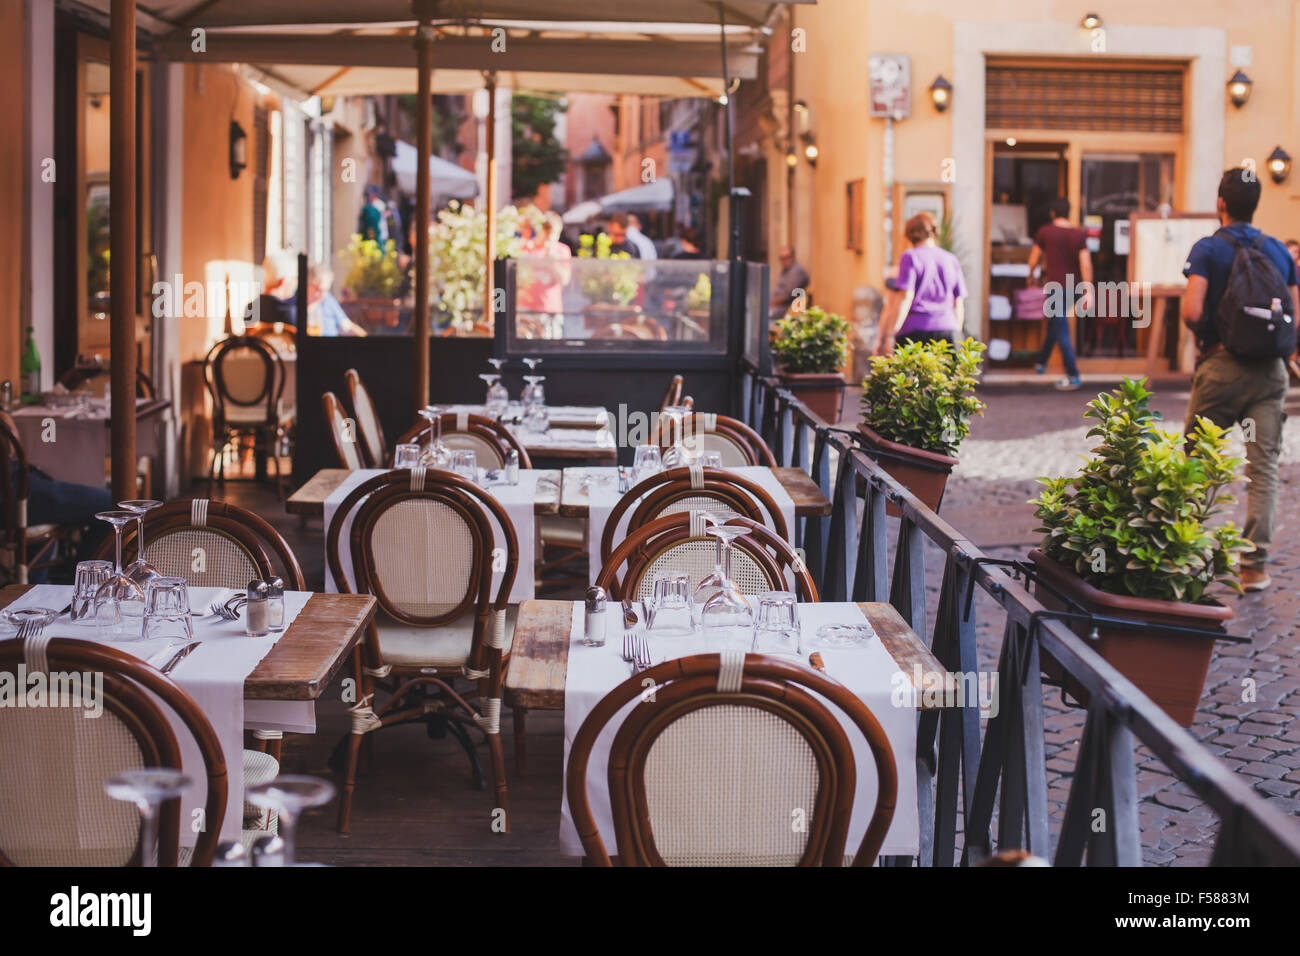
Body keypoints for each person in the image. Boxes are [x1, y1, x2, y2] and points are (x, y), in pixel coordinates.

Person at [1180, 167, 1299, 592]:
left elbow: (1193, 311)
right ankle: (1255, 567)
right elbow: (1294, 318)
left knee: (1198, 461)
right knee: (1263, 467)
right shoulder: (1280, 252)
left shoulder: (1209, 248)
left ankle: (1184, 557)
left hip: (1221, 368)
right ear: (1256, 205)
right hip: (1270, 373)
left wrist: (1210, 332)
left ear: (1221, 204)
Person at [874, 212, 966, 354]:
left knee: (911, 376)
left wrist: (891, 334)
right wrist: (956, 333)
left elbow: (905, 297)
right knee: (946, 376)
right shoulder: (951, 259)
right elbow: (958, 303)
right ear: (934, 232)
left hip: (915, 333)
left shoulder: (910, 257)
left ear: (910, 235)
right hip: (948, 331)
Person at [1028, 197, 1093, 390]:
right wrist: (1088, 289)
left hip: (1055, 286)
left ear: (1052, 213)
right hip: (1075, 288)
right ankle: (1041, 362)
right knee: (1056, 323)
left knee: (1061, 327)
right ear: (1069, 213)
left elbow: (1033, 259)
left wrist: (1030, 276)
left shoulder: (1045, 232)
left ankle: (1073, 374)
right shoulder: (1078, 234)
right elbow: (1086, 263)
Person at [306, 265, 367, 337]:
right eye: (318, 290)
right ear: (307, 284)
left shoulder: (328, 300)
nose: (322, 294)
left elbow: (347, 327)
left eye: (325, 290)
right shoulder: (293, 306)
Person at [771, 246, 811, 320]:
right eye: (781, 258)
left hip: (787, 307)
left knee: (765, 313)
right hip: (777, 304)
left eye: (786, 257)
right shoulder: (785, 270)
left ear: (792, 257)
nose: (783, 260)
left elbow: (786, 296)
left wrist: (771, 304)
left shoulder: (797, 271)